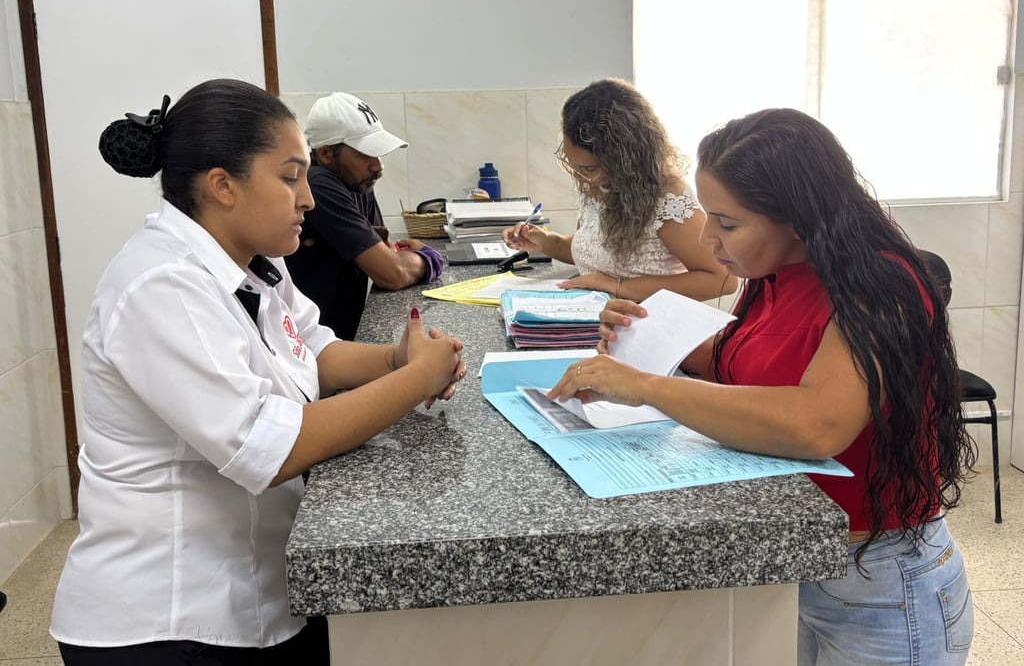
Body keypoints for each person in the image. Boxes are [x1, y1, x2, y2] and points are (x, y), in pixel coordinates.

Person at [49, 79, 466, 665]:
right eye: (290, 176)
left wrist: (398, 356)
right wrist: (414, 381)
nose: (309, 199)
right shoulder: (160, 285)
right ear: (223, 185)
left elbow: (313, 351)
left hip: (259, 591)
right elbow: (267, 448)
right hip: (167, 620)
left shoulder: (257, 259)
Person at [548, 108, 976, 665]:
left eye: (727, 224)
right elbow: (743, 365)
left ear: (797, 218)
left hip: (880, 581)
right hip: (795, 560)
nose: (707, 238)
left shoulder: (882, 284)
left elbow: (818, 423)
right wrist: (641, 335)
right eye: (709, 217)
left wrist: (647, 386)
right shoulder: (774, 274)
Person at [502, 78, 736, 302]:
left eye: (589, 168)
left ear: (624, 160)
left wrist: (617, 286)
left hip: (647, 325)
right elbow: (596, 256)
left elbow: (723, 280)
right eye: (573, 165)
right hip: (595, 317)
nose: (579, 176)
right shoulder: (596, 183)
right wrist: (546, 242)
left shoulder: (667, 197)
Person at [284, 92, 444, 340]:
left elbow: (387, 253)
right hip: (316, 347)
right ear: (326, 154)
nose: (378, 165)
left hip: (345, 337)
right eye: (365, 154)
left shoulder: (359, 183)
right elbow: (393, 273)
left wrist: (399, 260)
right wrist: (430, 258)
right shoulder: (318, 184)